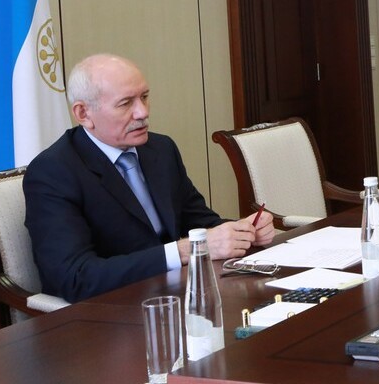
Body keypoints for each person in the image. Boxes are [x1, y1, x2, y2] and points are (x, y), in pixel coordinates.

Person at [24, 53, 275, 302]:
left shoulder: (161, 149)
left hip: (182, 291)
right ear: (84, 114)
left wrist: (243, 231)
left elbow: (199, 221)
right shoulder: (53, 171)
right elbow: (75, 278)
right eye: (125, 103)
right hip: (115, 309)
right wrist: (184, 251)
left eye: (144, 97)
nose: (142, 112)